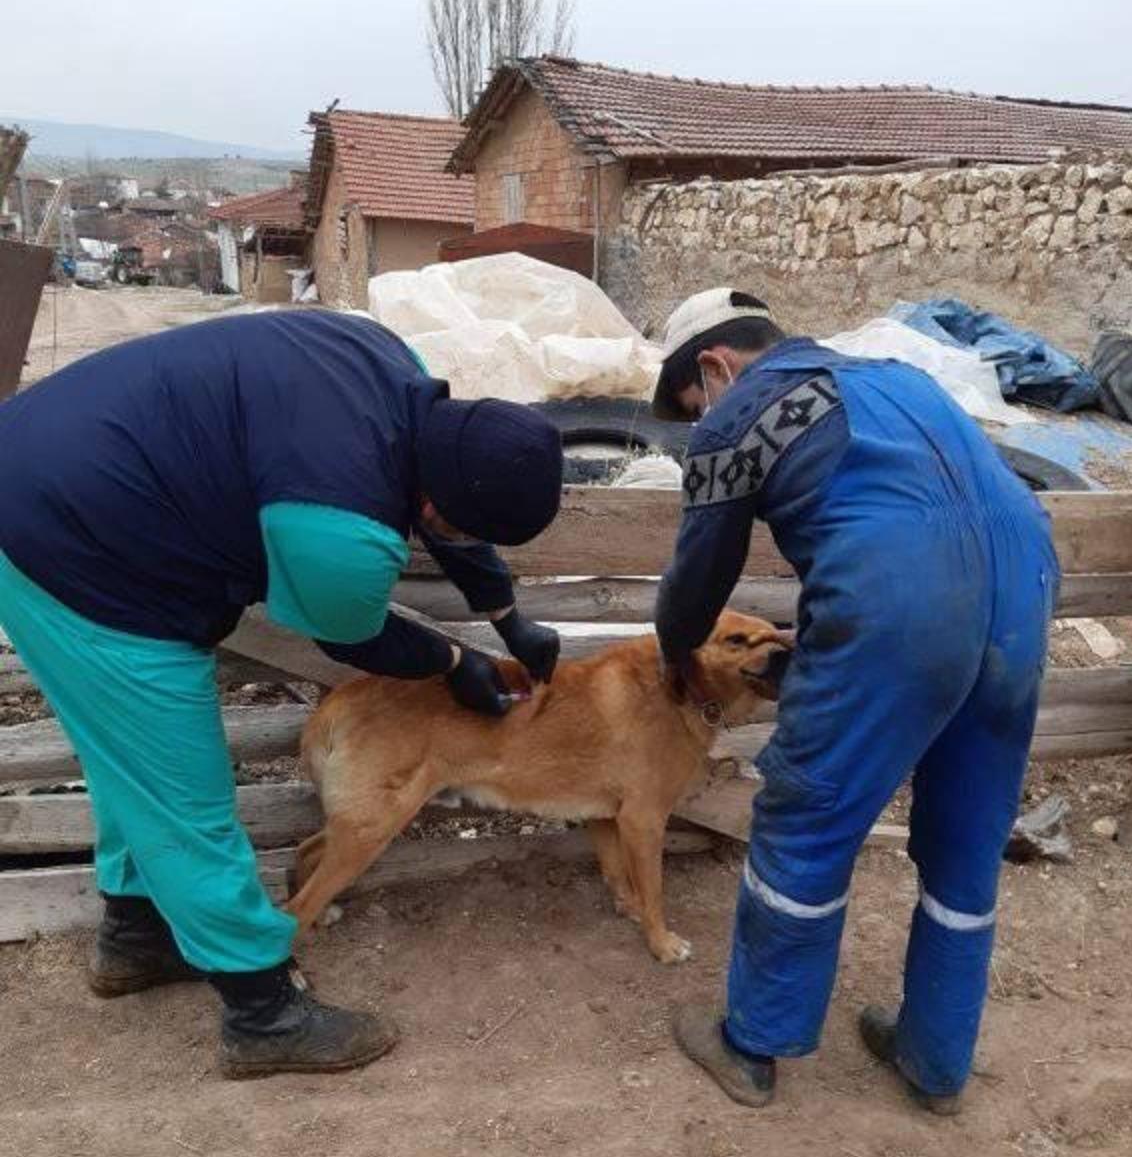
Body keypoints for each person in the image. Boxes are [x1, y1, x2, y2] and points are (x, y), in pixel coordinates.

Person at [0, 308, 563, 1079]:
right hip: (67, 543)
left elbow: (452, 518)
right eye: (457, 527)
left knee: (130, 764)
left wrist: (509, 616)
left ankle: (135, 938)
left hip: (54, 461)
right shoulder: (341, 528)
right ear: (436, 501)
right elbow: (352, 634)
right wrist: (456, 663)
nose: (455, 538)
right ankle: (262, 1012)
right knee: (184, 795)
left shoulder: (388, 361)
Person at [653, 289, 1059, 1114]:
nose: (702, 422)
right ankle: (935, 1061)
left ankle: (753, 1043)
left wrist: (674, 656)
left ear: (714, 366)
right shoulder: (898, 374)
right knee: (969, 828)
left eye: (695, 408)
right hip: (1025, 580)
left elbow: (697, 585)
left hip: (903, 594)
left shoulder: (739, 415)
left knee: (808, 816)